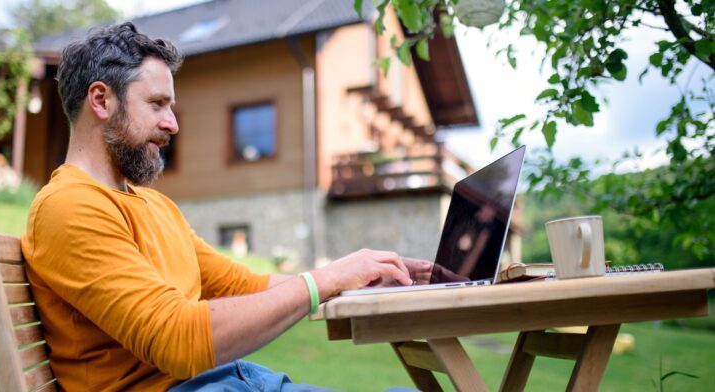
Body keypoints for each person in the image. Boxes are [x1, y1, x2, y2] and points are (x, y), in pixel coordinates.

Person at [21, 22, 432, 391]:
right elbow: (176, 341)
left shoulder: (153, 205)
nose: (172, 124)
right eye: (157, 104)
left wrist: (355, 277)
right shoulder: (69, 207)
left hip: (237, 381)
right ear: (100, 100)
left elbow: (243, 287)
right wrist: (325, 280)